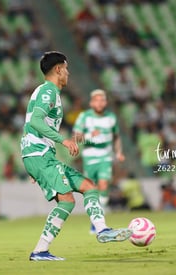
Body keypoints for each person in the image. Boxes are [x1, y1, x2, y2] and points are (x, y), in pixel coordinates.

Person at [20, 51, 132, 261]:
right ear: (58, 69)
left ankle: (102, 230)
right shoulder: (48, 91)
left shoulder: (48, 91)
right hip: (40, 155)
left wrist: (31, 163)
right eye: (66, 68)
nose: (68, 73)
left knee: (89, 186)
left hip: (40, 156)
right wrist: (64, 141)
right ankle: (40, 251)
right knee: (67, 200)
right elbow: (35, 121)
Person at [73, 89, 125, 233]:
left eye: (102, 100)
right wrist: (90, 135)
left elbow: (116, 136)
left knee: (103, 184)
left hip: (105, 156)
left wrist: (119, 152)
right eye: (97, 100)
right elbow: (76, 137)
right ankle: (95, 220)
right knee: (91, 189)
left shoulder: (111, 117)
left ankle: (99, 221)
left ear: (106, 102)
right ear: (91, 102)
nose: (100, 102)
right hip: (89, 157)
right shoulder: (84, 116)